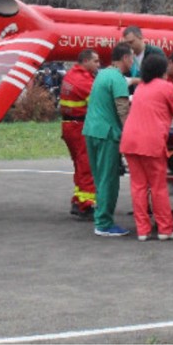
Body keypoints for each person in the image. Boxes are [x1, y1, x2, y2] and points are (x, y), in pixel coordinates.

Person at [119, 53, 173, 241]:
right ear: (162, 69)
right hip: (151, 141)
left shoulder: (141, 87)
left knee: (138, 186)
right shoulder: (167, 87)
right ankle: (165, 229)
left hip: (130, 140)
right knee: (158, 186)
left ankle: (143, 230)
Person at [83, 42, 135, 237]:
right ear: (125, 58)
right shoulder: (118, 79)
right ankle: (104, 223)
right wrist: (132, 133)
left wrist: (135, 80)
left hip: (91, 131)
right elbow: (122, 109)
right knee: (109, 179)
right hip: (107, 134)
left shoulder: (103, 74)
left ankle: (100, 218)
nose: (133, 61)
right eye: (132, 57)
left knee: (99, 178)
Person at [59, 49, 100, 219]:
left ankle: (78, 199)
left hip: (69, 125)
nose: (98, 64)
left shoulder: (72, 74)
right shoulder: (84, 81)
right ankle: (86, 205)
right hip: (79, 126)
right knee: (86, 165)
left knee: (79, 164)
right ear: (86, 61)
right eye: (96, 61)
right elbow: (99, 102)